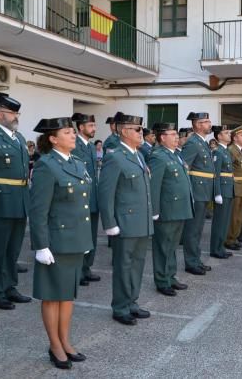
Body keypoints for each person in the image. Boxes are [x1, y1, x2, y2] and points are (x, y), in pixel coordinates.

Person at [30, 117, 93, 369]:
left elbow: (82, 205)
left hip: (75, 239)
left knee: (67, 295)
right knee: (52, 295)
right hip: (56, 241)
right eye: (67, 132)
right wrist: (40, 245)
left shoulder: (77, 163)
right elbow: (38, 210)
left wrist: (85, 237)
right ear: (53, 139)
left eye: (73, 132)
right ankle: (54, 345)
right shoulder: (47, 165)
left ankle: (65, 341)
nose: (73, 135)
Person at [99, 112, 153, 325]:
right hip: (125, 222)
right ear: (123, 131)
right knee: (123, 266)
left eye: (141, 129)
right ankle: (120, 307)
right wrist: (110, 224)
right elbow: (106, 193)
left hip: (141, 221)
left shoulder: (138, 155)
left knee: (138, 264)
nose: (142, 133)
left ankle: (132, 302)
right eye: (137, 129)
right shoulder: (114, 156)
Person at [0, 93, 31, 310]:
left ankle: (10, 287)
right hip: (0, 202)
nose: (16, 117)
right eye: (13, 113)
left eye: (17, 113)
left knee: (13, 250)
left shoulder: (19, 138)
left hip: (20, 201)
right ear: (0, 113)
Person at [148, 123, 192, 297]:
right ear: (162, 137)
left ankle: (170, 276)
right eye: (172, 134)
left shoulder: (175, 155)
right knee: (162, 247)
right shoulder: (158, 157)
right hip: (166, 210)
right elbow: (154, 186)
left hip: (179, 208)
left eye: (176, 134)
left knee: (172, 246)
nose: (176, 137)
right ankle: (162, 280)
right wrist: (155, 211)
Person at [181, 112, 216, 275]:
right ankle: (191, 262)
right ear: (197, 125)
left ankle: (196, 259)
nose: (210, 124)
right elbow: (184, 169)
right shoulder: (193, 143)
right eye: (206, 121)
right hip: (196, 191)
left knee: (198, 228)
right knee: (192, 229)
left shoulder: (202, 142)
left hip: (204, 190)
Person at [71, 113, 101, 285]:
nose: (94, 129)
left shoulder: (90, 147)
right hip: (81, 199)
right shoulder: (74, 146)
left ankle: (87, 267)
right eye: (91, 126)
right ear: (81, 127)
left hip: (92, 198)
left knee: (91, 236)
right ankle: (78, 270)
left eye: (94, 125)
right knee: (81, 236)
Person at [209, 124, 235, 258]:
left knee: (225, 221)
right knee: (219, 221)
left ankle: (221, 247)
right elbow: (216, 174)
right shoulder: (218, 152)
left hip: (228, 189)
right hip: (223, 191)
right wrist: (217, 192)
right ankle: (215, 249)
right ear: (219, 136)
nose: (229, 134)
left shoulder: (225, 151)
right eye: (226, 132)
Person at [226, 126, 242, 249]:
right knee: (234, 215)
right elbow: (228, 170)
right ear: (235, 138)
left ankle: (234, 237)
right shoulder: (231, 150)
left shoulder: (240, 151)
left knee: (239, 216)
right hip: (235, 186)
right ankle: (229, 239)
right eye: (241, 135)